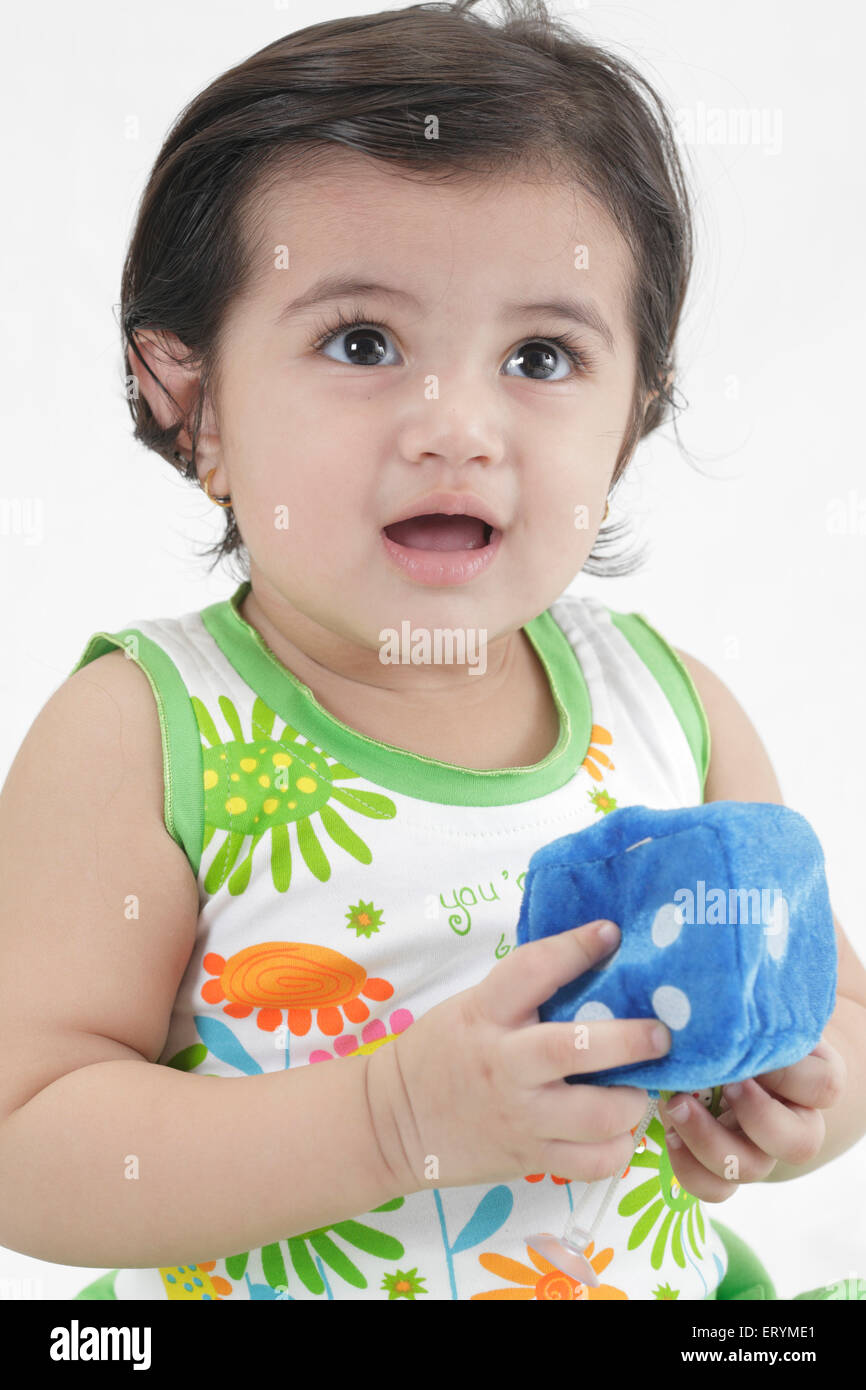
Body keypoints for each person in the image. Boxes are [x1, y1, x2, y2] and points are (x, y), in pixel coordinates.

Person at [0, 0, 860, 1302]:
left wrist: (800, 1093)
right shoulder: (144, 730)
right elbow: (25, 1136)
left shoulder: (671, 709)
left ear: (635, 413)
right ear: (191, 403)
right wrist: (392, 1119)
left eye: (538, 354)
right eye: (361, 342)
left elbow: (833, 998)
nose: (455, 424)